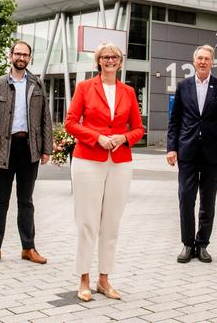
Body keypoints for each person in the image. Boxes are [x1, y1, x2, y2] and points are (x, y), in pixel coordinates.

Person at [64, 42, 144, 302]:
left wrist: (123, 138)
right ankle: (84, 278)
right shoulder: (85, 87)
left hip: (120, 162)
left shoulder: (128, 91)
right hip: (88, 159)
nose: (110, 60)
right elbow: (70, 123)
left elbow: (138, 128)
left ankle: (104, 278)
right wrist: (97, 137)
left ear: (120, 62)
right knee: (87, 221)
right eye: (105, 57)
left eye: (115, 57)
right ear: (98, 61)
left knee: (111, 223)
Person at [0, 40, 52, 266]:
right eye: (17, 53)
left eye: (25, 55)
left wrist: (47, 148)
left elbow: (45, 118)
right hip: (3, 149)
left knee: (26, 200)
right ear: (10, 56)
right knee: (0, 199)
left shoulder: (37, 84)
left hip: (29, 148)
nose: (21, 57)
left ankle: (28, 248)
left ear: (29, 58)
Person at [166, 44, 217, 264]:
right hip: (187, 151)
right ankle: (187, 244)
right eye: (200, 58)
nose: (203, 62)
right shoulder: (183, 86)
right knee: (186, 198)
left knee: (208, 201)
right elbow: (175, 119)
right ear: (194, 61)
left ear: (212, 62)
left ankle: (202, 244)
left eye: (207, 58)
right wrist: (171, 147)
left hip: (212, 154)